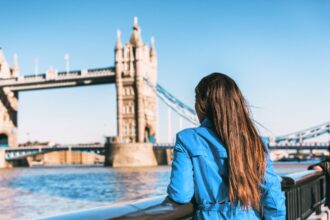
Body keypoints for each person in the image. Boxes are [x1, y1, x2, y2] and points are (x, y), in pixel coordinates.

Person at [167, 73, 286, 219]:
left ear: (202, 104)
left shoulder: (186, 139)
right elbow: (273, 198)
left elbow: (180, 194)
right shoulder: (255, 143)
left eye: (196, 100)